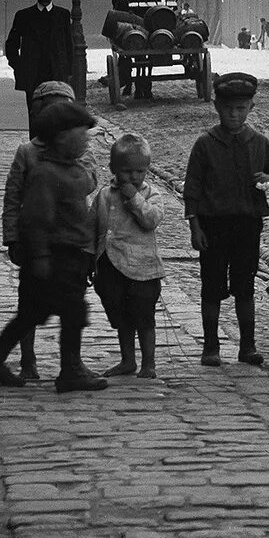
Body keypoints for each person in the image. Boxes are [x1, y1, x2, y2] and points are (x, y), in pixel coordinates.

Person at [0, 81, 82, 385]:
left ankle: (68, 366)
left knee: (59, 310)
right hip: (40, 246)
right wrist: (12, 237)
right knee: (32, 312)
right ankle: (30, 360)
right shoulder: (28, 153)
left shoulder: (77, 153)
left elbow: (86, 191)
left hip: (68, 248)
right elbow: (13, 196)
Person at [184, 71, 269, 367]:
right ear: (217, 107)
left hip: (247, 225)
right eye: (228, 108)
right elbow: (192, 189)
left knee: (245, 285)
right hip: (213, 226)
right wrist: (195, 226)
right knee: (211, 286)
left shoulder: (258, 142)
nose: (234, 114)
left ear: (251, 108)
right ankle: (211, 346)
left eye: (241, 109)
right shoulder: (205, 144)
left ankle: (248, 346)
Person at [11, 97, 109, 394]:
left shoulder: (73, 165)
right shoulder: (44, 171)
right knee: (56, 312)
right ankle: (66, 369)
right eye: (80, 134)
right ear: (61, 137)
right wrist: (36, 253)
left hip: (74, 255)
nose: (86, 141)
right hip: (55, 254)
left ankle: (70, 365)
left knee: (56, 312)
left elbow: (88, 185)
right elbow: (35, 218)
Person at [93, 136, 168, 379]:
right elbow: (93, 225)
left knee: (144, 316)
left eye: (140, 171)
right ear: (114, 169)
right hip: (111, 265)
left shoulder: (151, 194)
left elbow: (151, 220)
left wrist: (133, 198)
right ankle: (128, 360)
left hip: (143, 268)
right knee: (121, 315)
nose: (134, 177)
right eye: (127, 171)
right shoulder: (104, 195)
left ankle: (149, 363)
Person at [3, 0, 88, 104]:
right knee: (34, 114)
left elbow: (68, 45)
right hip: (32, 75)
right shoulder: (24, 16)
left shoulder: (63, 15)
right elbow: (11, 44)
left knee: (56, 114)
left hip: (57, 75)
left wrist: (68, 71)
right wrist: (19, 67)